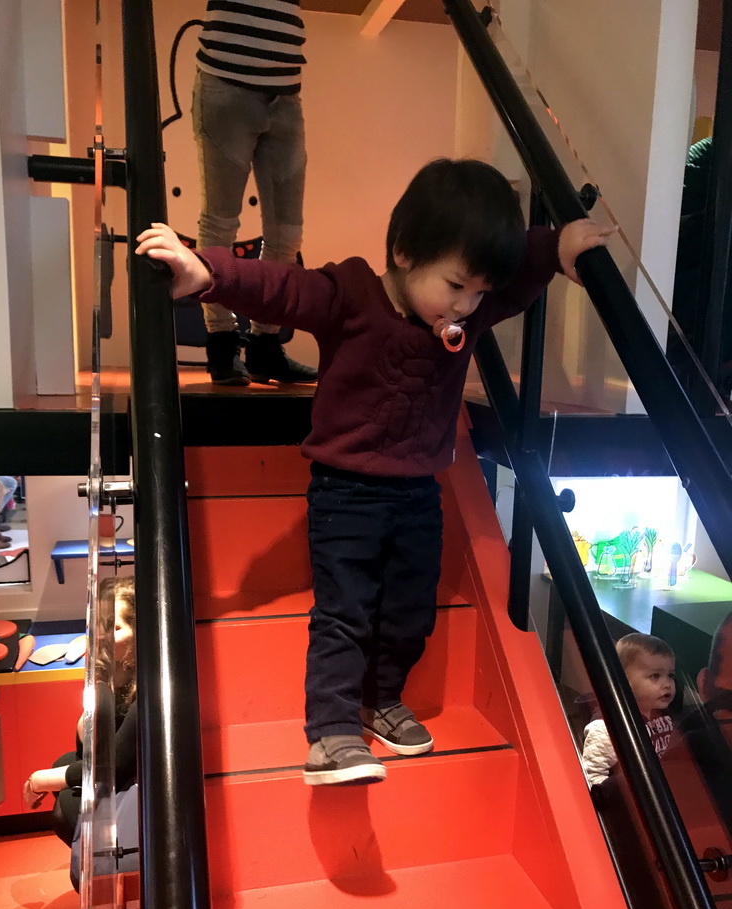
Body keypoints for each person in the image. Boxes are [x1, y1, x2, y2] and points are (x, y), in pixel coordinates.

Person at [136, 157, 613, 785]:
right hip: (346, 492)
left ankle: (379, 699)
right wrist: (207, 274)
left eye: (478, 293)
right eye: (457, 285)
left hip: (419, 491)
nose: (469, 306)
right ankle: (330, 733)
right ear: (405, 253)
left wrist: (559, 244)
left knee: (411, 609)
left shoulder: (463, 317)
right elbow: (280, 286)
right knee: (346, 610)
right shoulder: (349, 294)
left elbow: (519, 277)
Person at [193, 0, 317, 386]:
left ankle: (265, 344)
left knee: (286, 233)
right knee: (221, 223)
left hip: (286, 91)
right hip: (225, 81)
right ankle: (222, 342)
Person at [23, 577, 137, 844]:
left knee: (66, 807)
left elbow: (115, 765)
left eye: (114, 627)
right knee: (63, 763)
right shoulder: (119, 666)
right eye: (98, 626)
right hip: (119, 769)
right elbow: (90, 740)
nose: (100, 637)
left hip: (141, 784)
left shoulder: (148, 687)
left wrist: (40, 780)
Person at [582, 633, 676, 786]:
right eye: (655, 676)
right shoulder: (606, 729)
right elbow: (592, 776)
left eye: (670, 675)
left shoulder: (661, 714)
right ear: (624, 680)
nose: (667, 684)